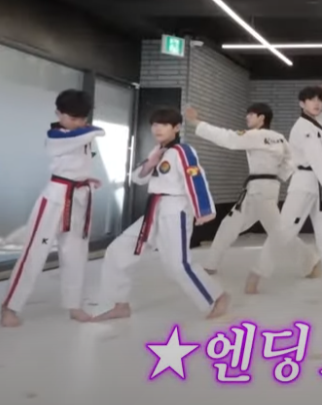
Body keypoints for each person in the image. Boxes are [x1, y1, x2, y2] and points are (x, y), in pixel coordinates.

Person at [93, 109, 228, 321]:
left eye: (164, 124)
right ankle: (119, 304)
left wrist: (203, 210)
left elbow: (195, 177)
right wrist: (150, 162)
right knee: (117, 250)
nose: (157, 128)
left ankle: (216, 297)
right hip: (154, 210)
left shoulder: (183, 150)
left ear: (176, 128)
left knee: (177, 264)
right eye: (155, 124)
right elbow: (138, 178)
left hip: (175, 209)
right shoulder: (158, 150)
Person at [0, 90, 105, 327]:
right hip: (55, 197)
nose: (77, 123)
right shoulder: (56, 136)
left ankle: (74, 304)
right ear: (58, 113)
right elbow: (95, 132)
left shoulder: (82, 134)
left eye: (81, 118)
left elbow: (77, 163)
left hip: (79, 197)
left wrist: (86, 178)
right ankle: (10, 306)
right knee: (34, 252)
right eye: (72, 117)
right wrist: (89, 128)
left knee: (76, 254)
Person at [192, 104, 318, 294]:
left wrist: (196, 123)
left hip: (261, 189)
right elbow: (292, 161)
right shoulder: (279, 138)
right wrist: (278, 176)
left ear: (261, 118)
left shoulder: (255, 135)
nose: (247, 118)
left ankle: (310, 260)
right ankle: (211, 264)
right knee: (229, 224)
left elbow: (228, 138)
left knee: (277, 231)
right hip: (263, 187)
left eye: (251, 115)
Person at [265, 83, 322, 291]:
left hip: (321, 186)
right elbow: (316, 157)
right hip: (304, 182)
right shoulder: (303, 127)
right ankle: (258, 271)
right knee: (284, 230)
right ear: (302, 104)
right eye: (311, 100)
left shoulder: (317, 123)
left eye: (320, 100)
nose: (317, 103)